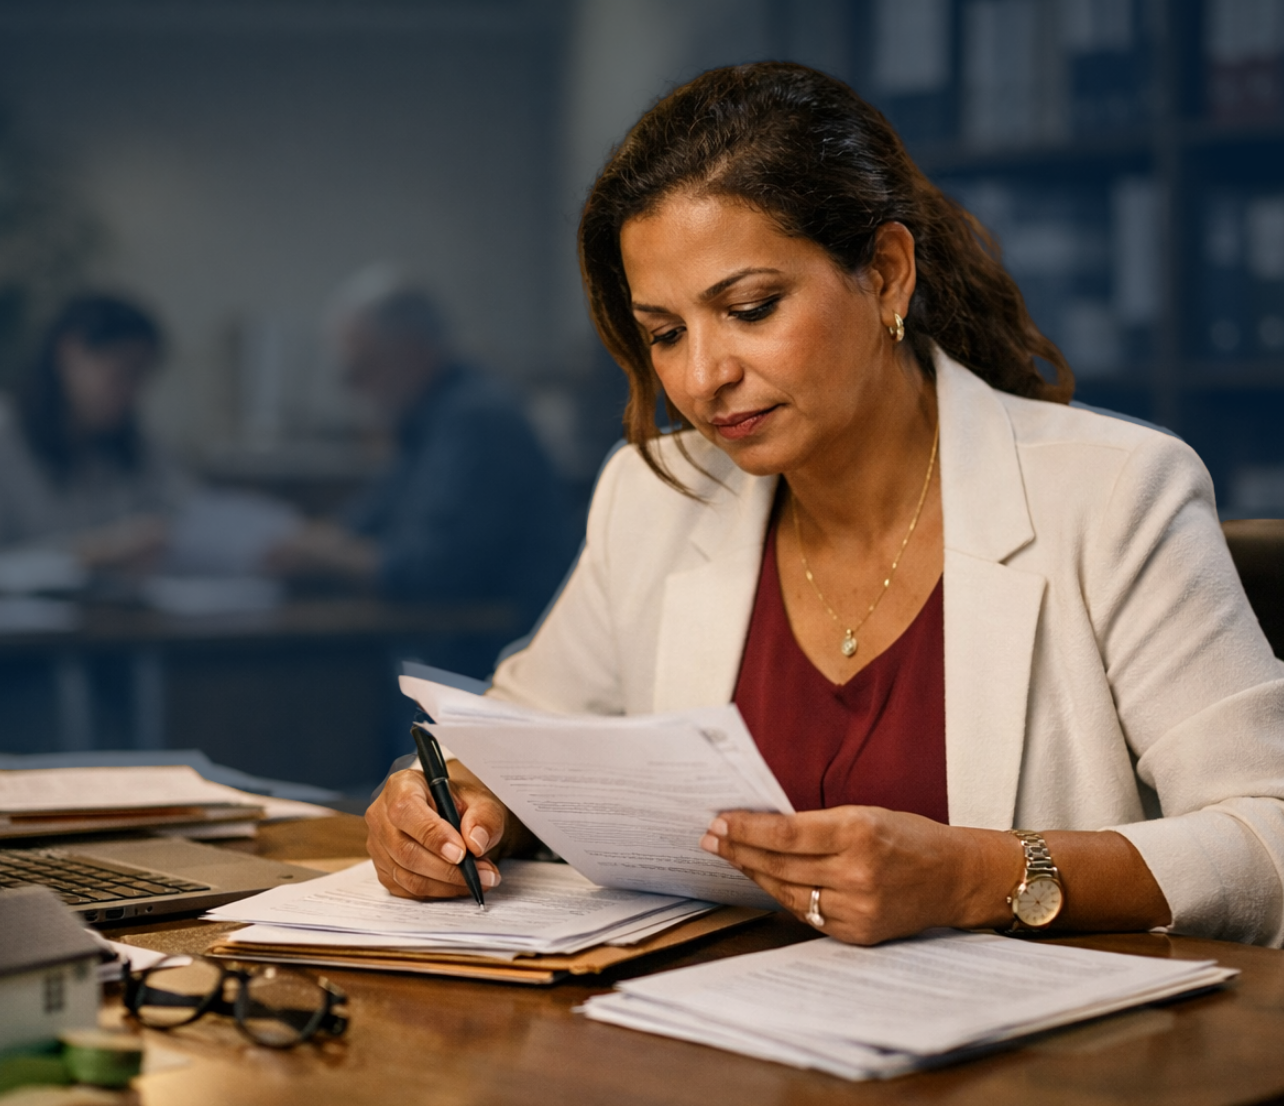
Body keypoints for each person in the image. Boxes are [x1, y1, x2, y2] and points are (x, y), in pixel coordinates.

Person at [366, 63, 1284, 946]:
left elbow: (1269, 838)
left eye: (753, 308)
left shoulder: (1116, 495)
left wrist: (979, 875)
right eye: (666, 333)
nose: (704, 376)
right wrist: (444, 804)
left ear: (885, 273)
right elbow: (516, 744)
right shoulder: (654, 495)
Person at [265, 273, 579, 677]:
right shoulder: (428, 420)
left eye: (362, 369)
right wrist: (311, 543)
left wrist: (327, 555)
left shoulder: (477, 421)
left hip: (500, 670)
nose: (353, 389)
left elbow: (430, 573)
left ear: (410, 353)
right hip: (456, 658)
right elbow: (367, 520)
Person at [0, 293, 190, 570]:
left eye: (141, 376)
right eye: (121, 372)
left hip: (113, 611)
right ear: (70, 352)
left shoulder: (133, 443)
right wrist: (83, 554)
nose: (130, 391)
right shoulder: (8, 437)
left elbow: (185, 511)